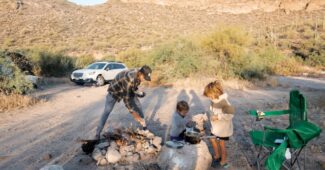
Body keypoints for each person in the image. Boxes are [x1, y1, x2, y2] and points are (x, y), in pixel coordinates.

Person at [95, 65, 152, 140]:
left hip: (127, 89)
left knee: (138, 106)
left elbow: (133, 87)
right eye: (144, 77)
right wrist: (135, 115)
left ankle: (145, 128)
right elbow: (126, 101)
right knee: (106, 112)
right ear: (140, 74)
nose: (144, 79)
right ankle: (97, 134)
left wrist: (139, 93)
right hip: (114, 92)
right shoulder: (130, 78)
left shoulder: (138, 74)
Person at [203, 81, 235, 168]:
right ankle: (217, 156)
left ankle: (223, 161)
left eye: (210, 96)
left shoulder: (224, 102)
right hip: (216, 127)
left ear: (215, 93)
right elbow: (212, 111)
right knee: (213, 140)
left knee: (221, 144)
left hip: (223, 129)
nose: (209, 98)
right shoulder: (214, 100)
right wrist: (205, 116)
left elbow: (230, 114)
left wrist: (218, 117)